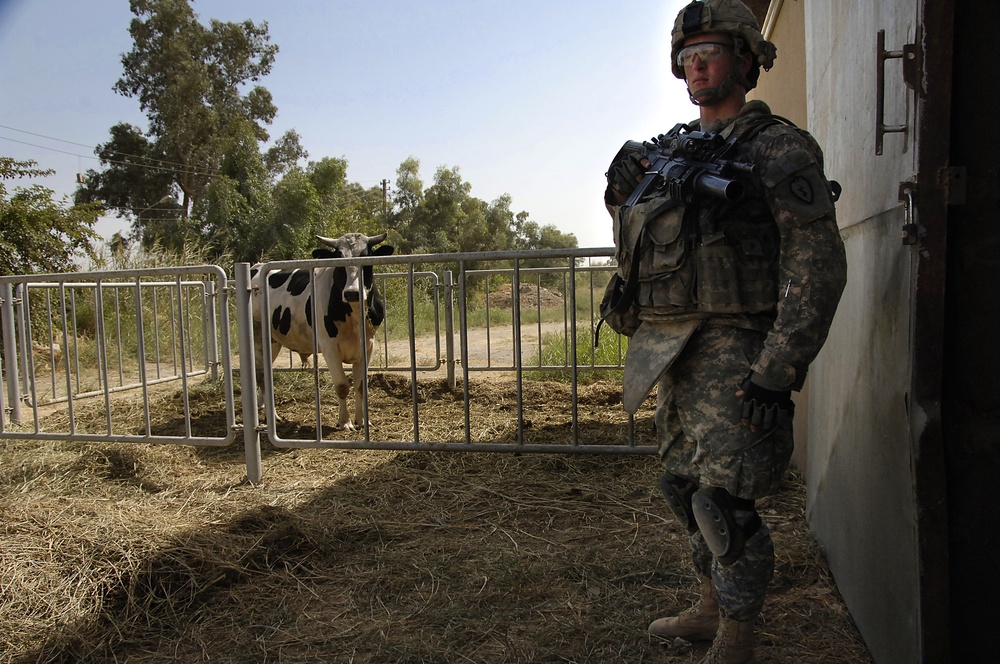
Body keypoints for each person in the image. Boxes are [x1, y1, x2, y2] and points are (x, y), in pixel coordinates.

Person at [602, 1, 847, 662]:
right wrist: (619, 187)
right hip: (670, 345)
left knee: (724, 498)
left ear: (746, 58)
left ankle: (740, 633)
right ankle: (709, 607)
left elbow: (815, 263)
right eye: (687, 56)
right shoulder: (677, 147)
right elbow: (641, 234)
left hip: (738, 345)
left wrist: (779, 367)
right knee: (680, 483)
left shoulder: (779, 148)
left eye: (710, 50)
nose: (697, 64)